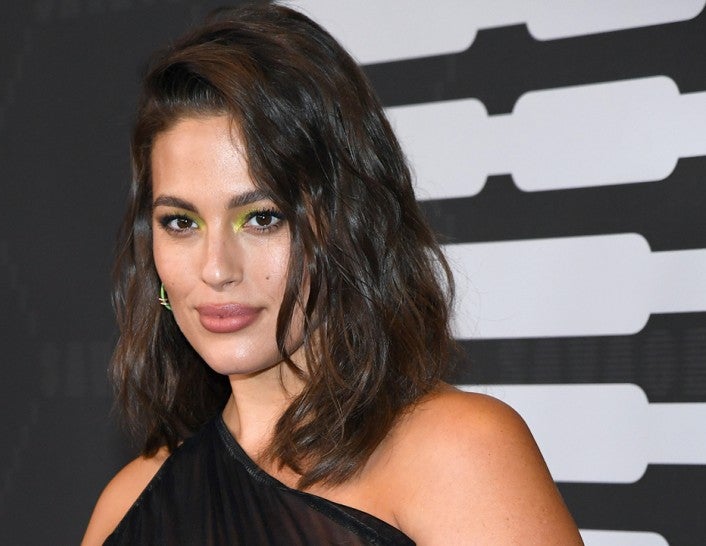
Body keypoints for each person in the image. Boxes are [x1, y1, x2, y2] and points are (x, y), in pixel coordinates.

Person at [82, 4, 583, 544]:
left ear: (346, 224)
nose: (216, 268)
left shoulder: (455, 452)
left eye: (262, 218)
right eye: (181, 222)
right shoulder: (127, 505)